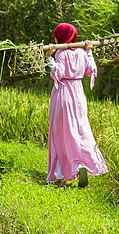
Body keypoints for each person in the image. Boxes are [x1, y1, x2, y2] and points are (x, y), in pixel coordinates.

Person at [46, 22, 108, 188]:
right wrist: (88, 52)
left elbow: (57, 73)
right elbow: (90, 70)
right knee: (80, 129)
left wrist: (49, 58)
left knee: (62, 133)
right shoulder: (81, 52)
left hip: (63, 93)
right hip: (79, 93)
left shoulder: (61, 53)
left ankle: (63, 176)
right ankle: (81, 164)